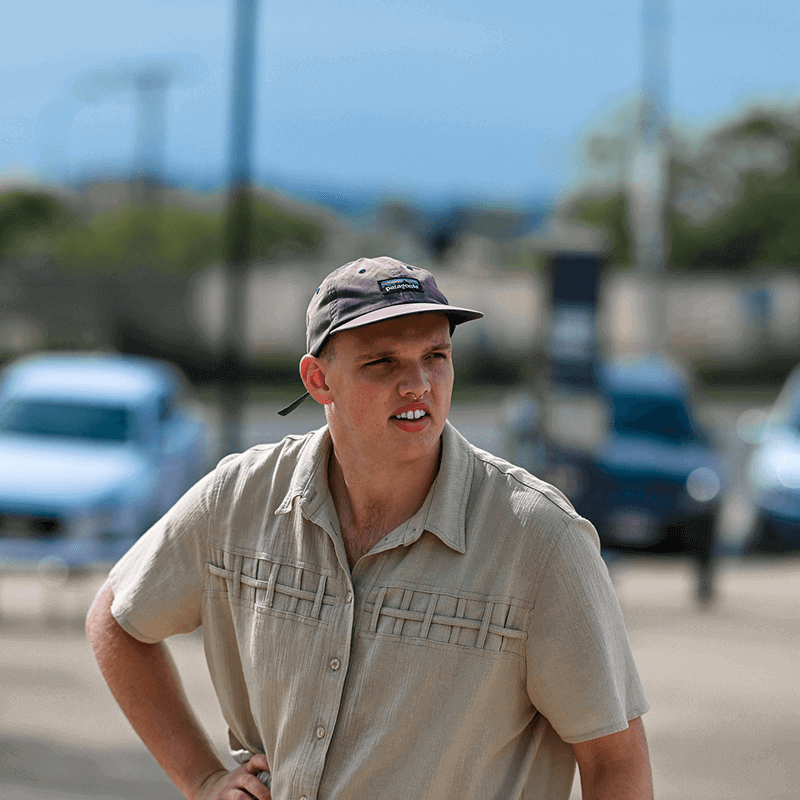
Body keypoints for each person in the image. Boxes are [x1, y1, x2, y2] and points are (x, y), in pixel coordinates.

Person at [87, 256, 653, 800]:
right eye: (382, 363)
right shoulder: (239, 498)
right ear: (318, 380)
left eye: (435, 355)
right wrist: (202, 779)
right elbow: (115, 620)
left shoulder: (541, 540)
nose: (418, 384)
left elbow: (616, 763)